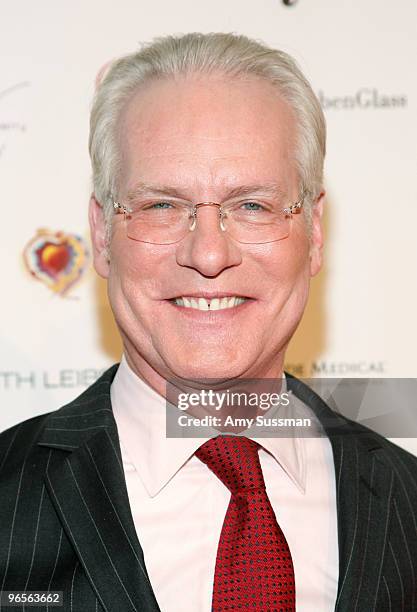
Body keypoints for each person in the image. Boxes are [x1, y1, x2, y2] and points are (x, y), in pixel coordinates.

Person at [0, 32, 416, 612]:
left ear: (314, 233)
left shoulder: (408, 501)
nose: (209, 255)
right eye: (161, 205)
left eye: (252, 205)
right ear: (101, 234)